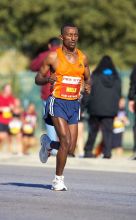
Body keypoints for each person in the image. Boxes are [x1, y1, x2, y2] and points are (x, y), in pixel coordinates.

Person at [35, 23, 90, 191]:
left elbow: (88, 77)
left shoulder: (83, 57)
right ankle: (58, 180)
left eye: (75, 35)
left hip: (74, 104)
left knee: (70, 148)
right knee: (65, 140)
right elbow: (38, 78)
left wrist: (88, 87)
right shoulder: (53, 57)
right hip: (57, 101)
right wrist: (47, 80)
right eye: (69, 35)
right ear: (62, 37)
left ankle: (48, 144)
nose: (73, 38)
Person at [84, 55, 121, 159]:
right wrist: (115, 108)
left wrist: (84, 105)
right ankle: (107, 152)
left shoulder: (95, 76)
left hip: (95, 108)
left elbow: (88, 92)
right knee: (108, 131)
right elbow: (119, 94)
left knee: (93, 131)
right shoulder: (116, 77)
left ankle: (88, 150)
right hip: (110, 110)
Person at [30, 38, 61, 148]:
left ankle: (53, 147)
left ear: (49, 45)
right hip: (64, 92)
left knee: (50, 121)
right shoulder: (66, 55)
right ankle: (63, 146)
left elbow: (33, 66)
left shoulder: (45, 55)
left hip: (48, 92)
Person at [0, 84, 16, 152]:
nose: (9, 90)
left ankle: (10, 150)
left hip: (10, 121)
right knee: (2, 136)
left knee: (10, 136)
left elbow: (16, 109)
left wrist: (13, 108)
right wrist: (2, 109)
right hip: (1, 120)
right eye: (8, 89)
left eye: (10, 89)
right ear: (4, 89)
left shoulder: (12, 98)